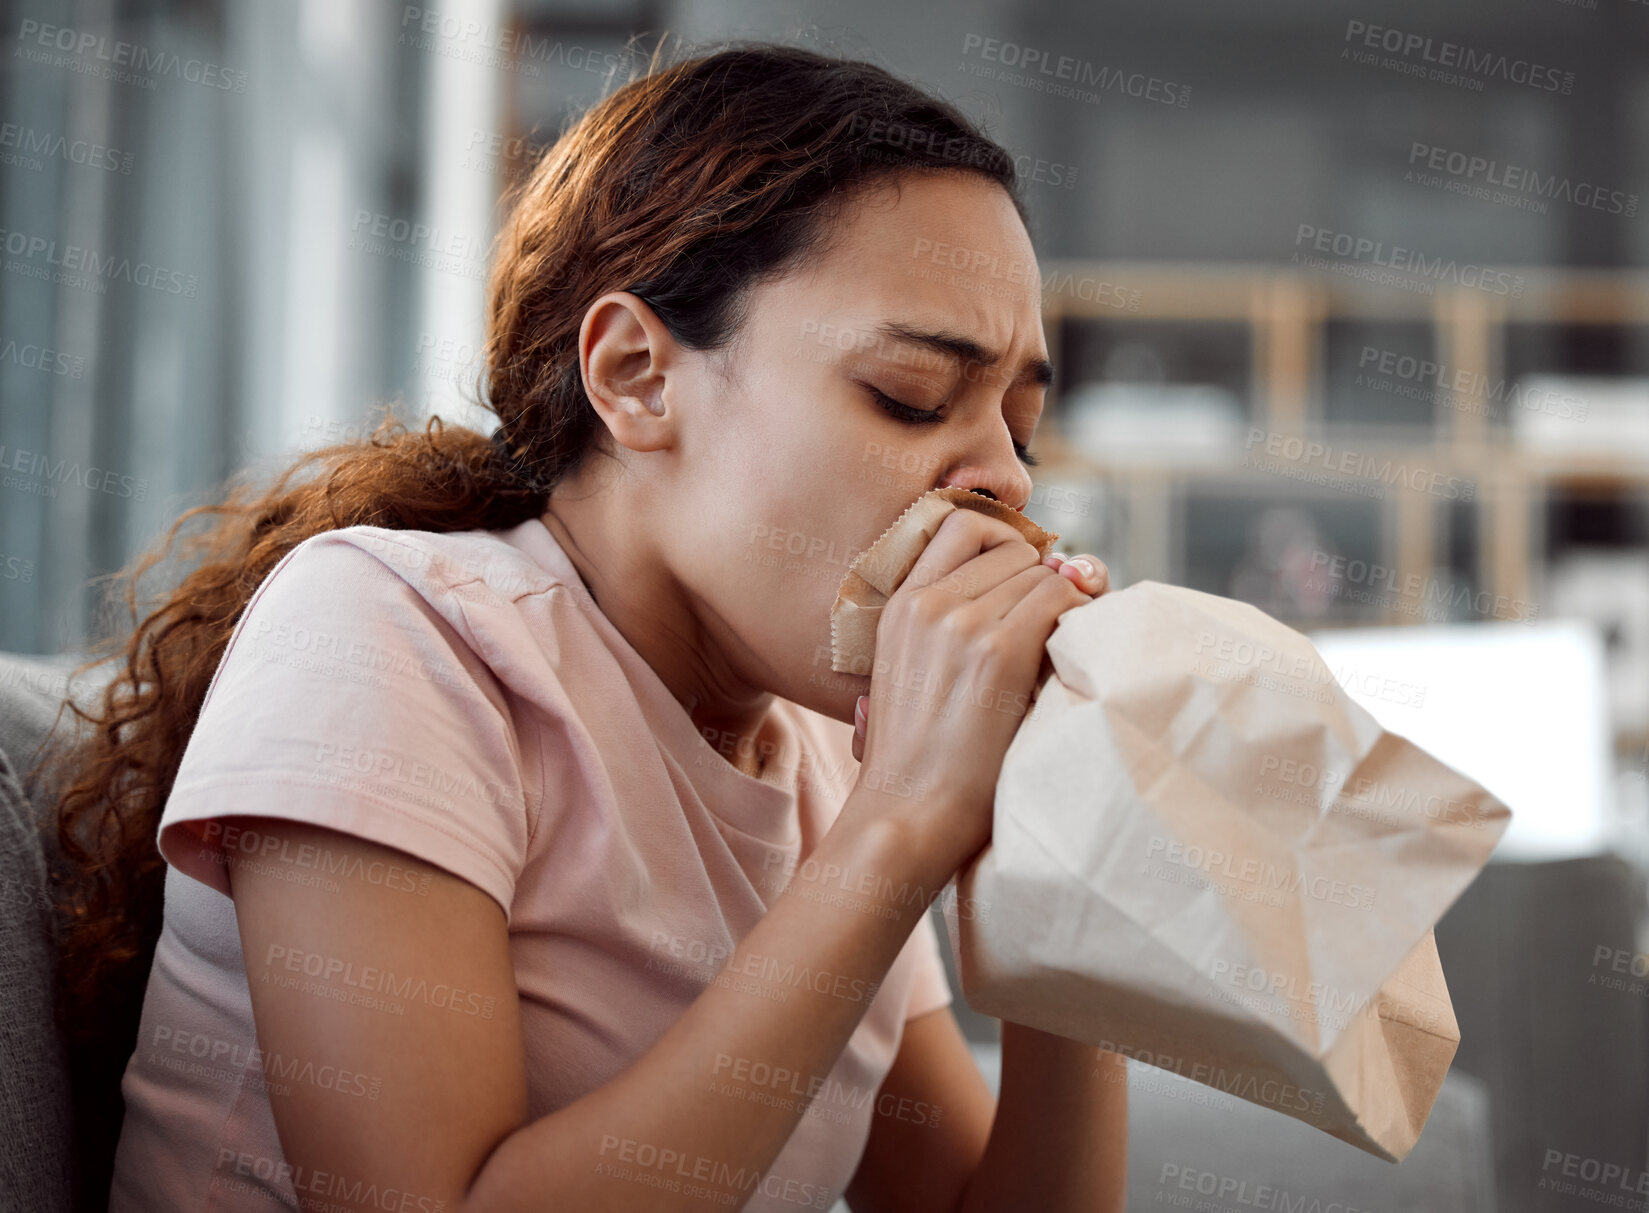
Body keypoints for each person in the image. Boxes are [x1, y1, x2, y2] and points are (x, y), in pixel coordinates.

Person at [48, 41, 1125, 1213]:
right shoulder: (387, 631)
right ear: (635, 375)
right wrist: (900, 827)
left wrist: (1070, 885)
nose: (1002, 485)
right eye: (910, 396)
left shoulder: (823, 748)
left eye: (1019, 430)